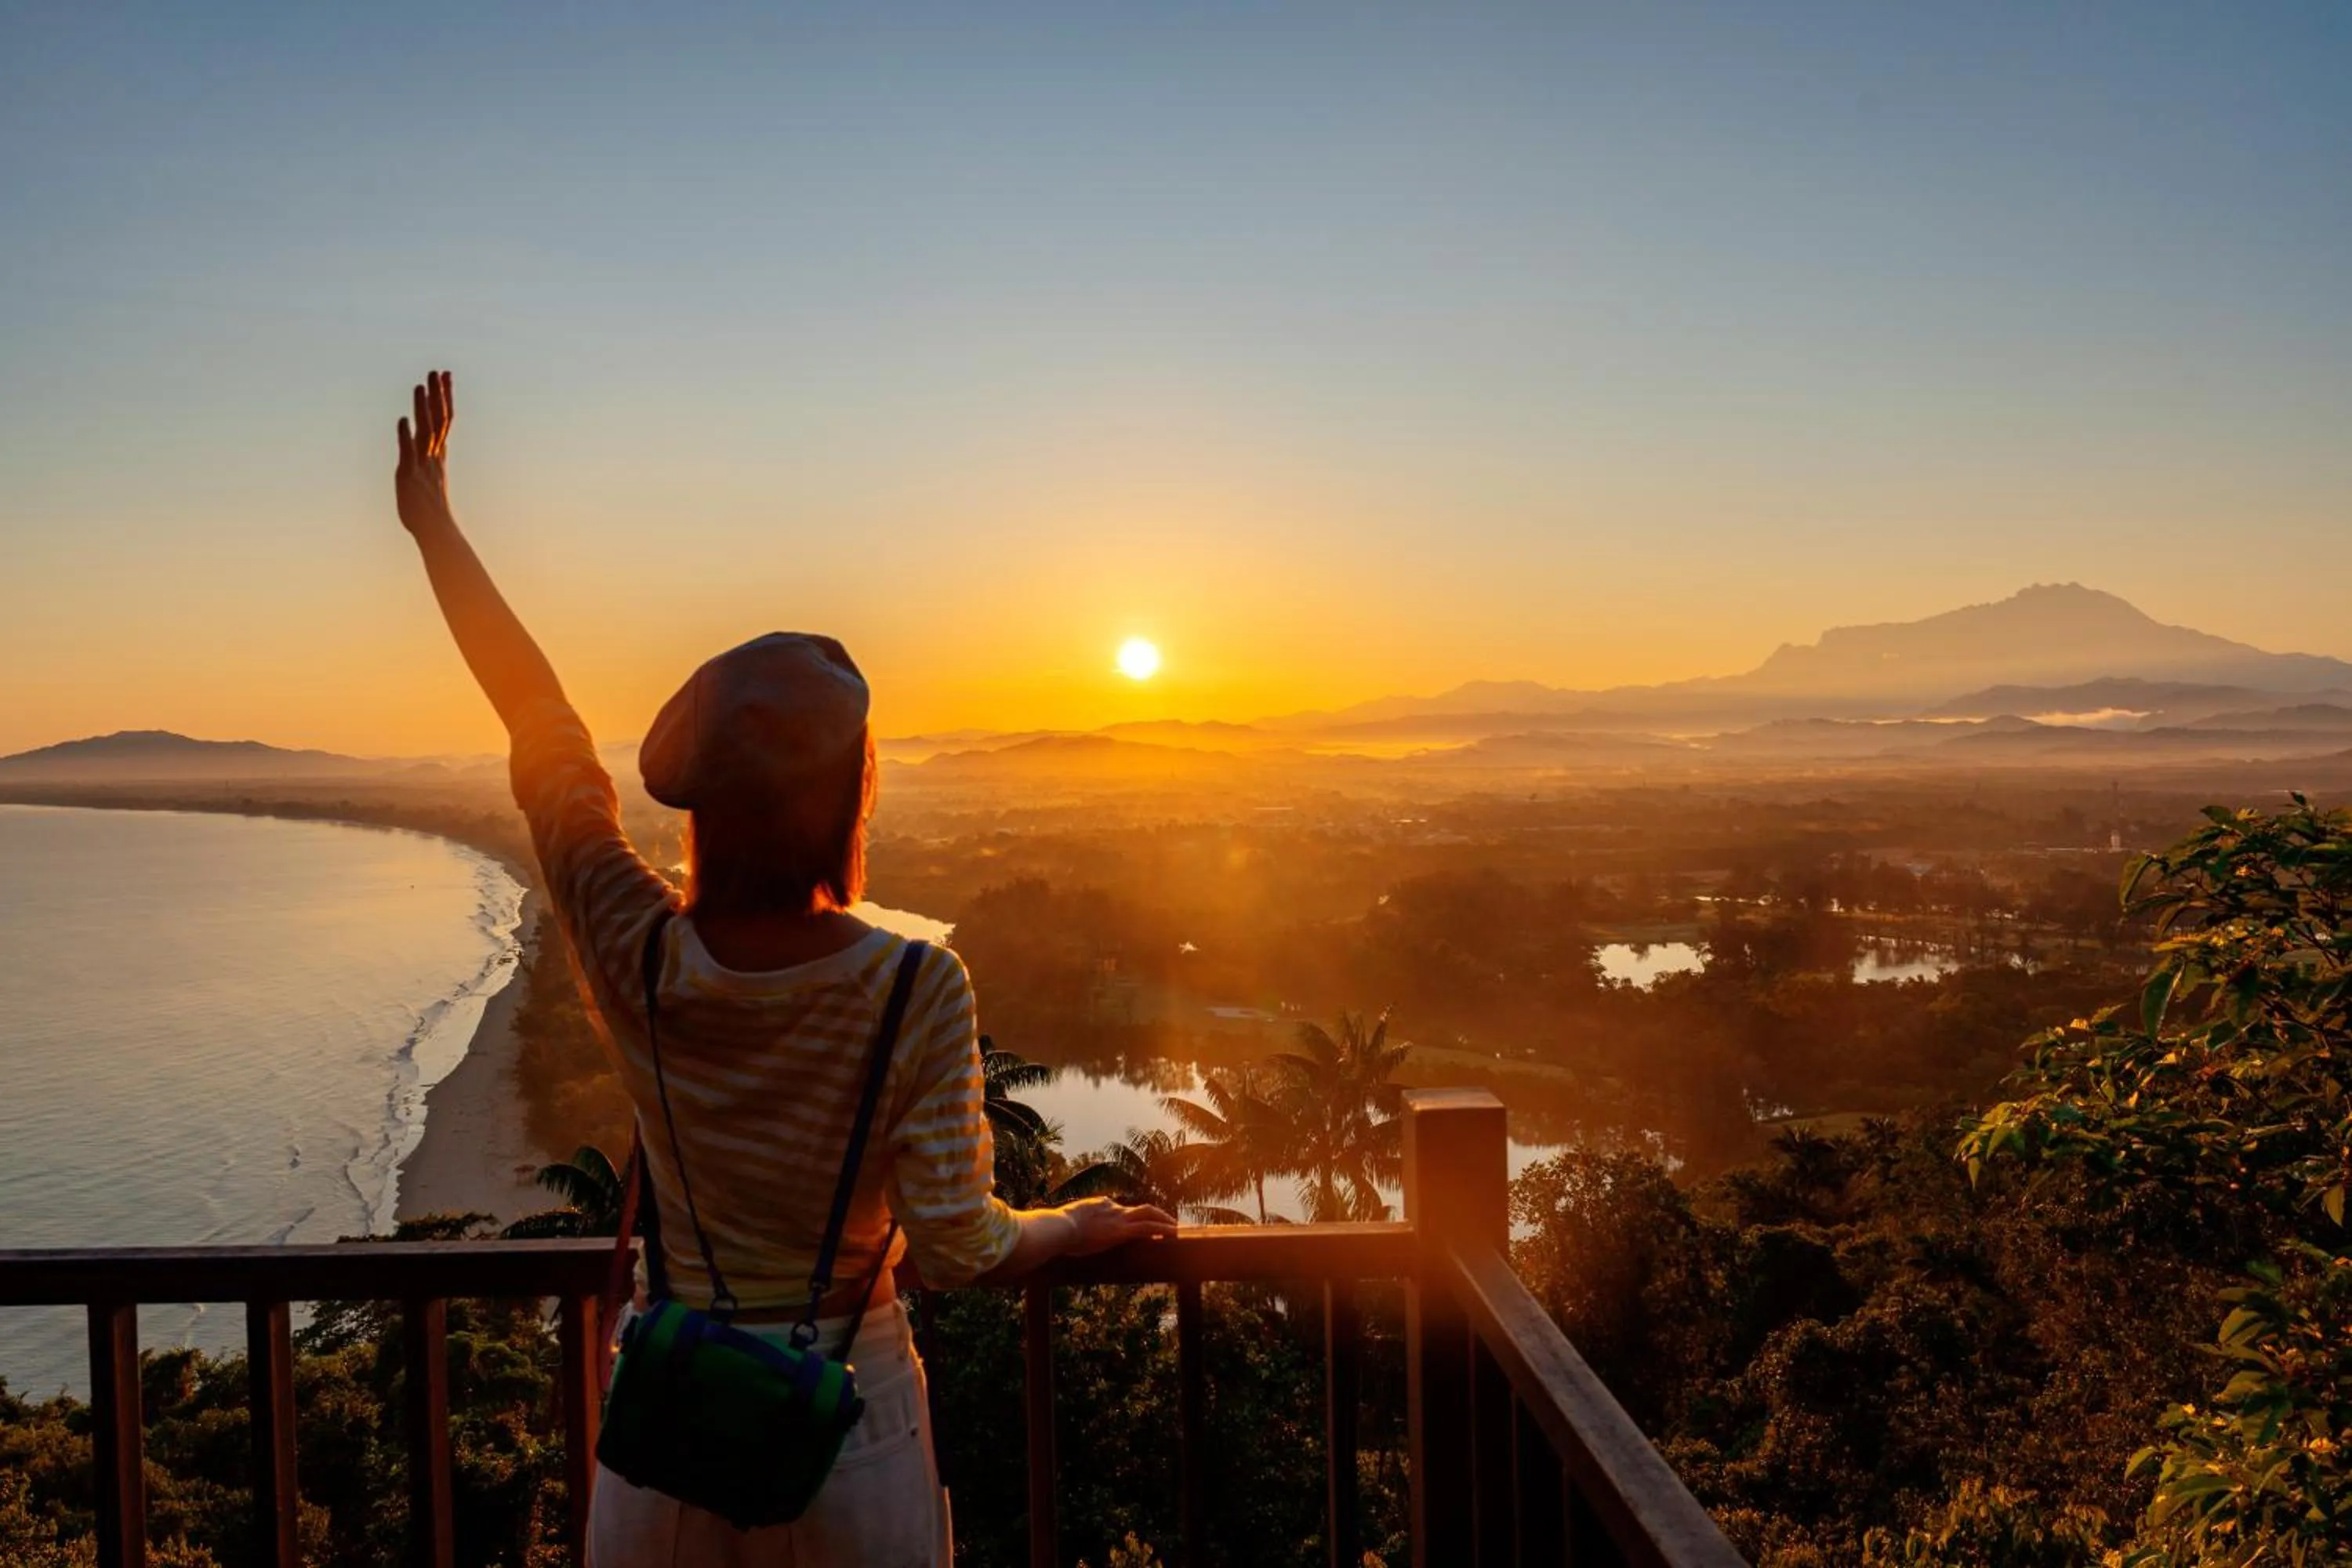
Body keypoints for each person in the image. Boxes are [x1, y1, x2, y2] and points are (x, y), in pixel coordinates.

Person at [390, 370, 1178, 1566]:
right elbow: (960, 1250)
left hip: (671, 1437)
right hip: (845, 1430)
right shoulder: (914, 988)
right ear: (848, 796)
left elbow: (538, 722)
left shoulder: (634, 945)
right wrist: (1078, 1227)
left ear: (704, 803)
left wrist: (437, 529)